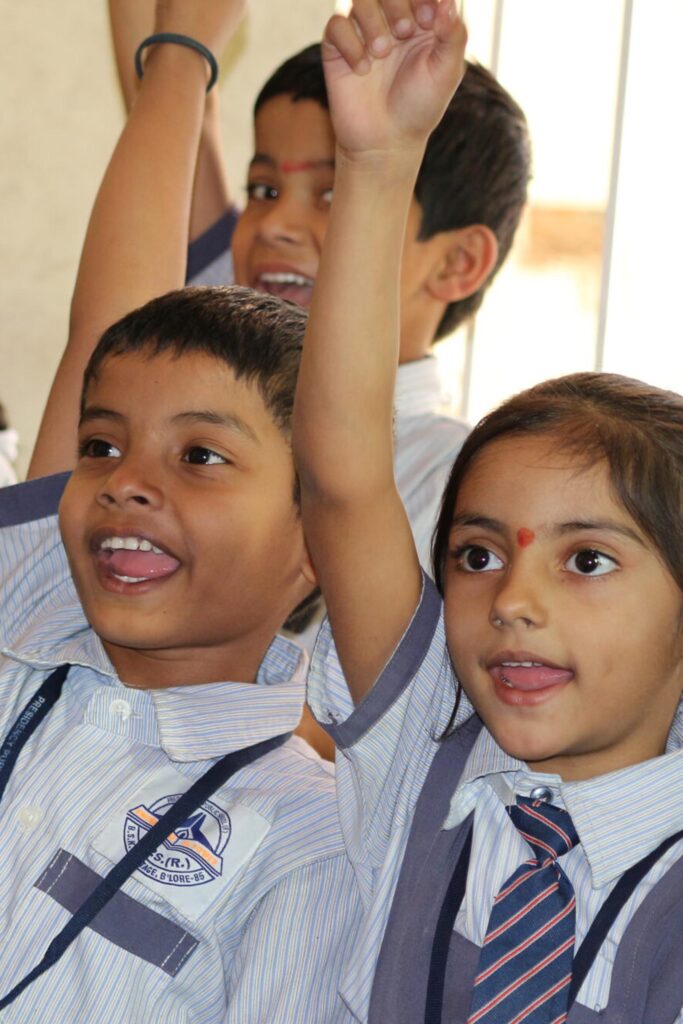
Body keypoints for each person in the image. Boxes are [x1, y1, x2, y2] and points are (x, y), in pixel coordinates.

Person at [294, 2, 683, 1021]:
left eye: (587, 560)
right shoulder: (425, 744)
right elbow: (341, 476)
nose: (510, 599)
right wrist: (377, 163)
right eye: (472, 555)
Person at [0, 3, 361, 1020]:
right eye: (102, 445)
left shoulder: (304, 833)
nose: (125, 479)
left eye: (200, 456)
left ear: (316, 542)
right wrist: (176, 56)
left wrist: (184, 62)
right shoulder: (26, 633)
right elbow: (103, 329)